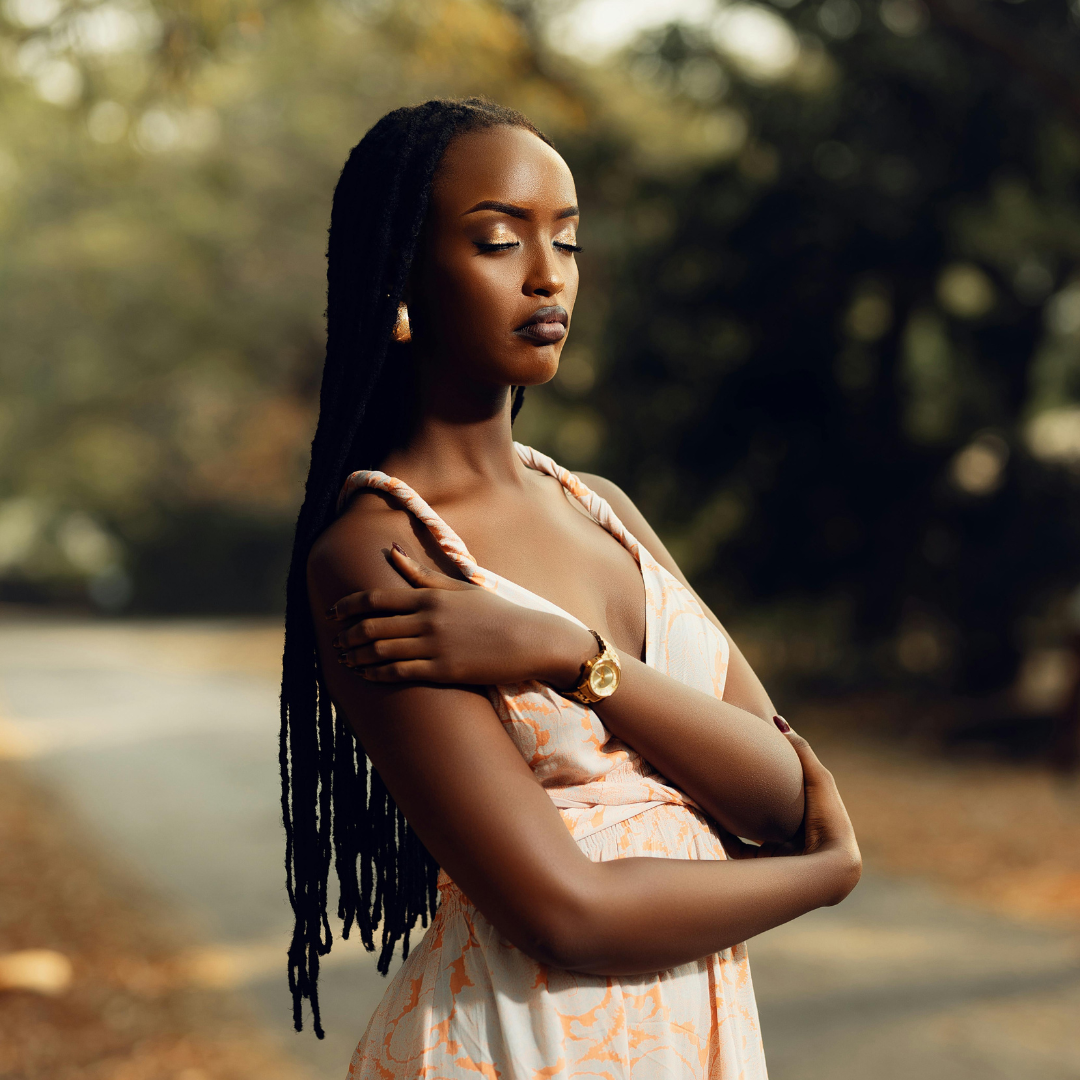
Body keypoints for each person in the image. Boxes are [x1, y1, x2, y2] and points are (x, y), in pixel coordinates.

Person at [280, 97, 861, 1079]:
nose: (549, 276)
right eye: (501, 241)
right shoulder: (379, 554)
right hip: (522, 1047)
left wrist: (571, 659)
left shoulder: (602, 510)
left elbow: (779, 793)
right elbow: (567, 914)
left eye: (570, 239)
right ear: (403, 283)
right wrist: (821, 880)